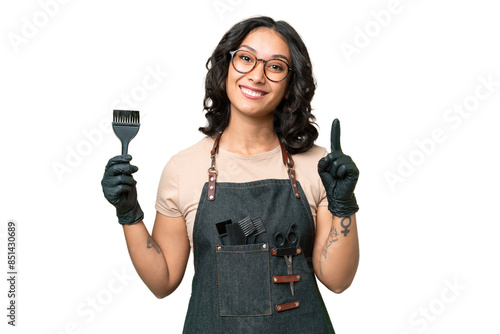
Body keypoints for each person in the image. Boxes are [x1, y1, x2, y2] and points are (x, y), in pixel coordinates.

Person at [101, 16, 360, 333]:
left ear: (291, 83)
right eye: (246, 59)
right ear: (227, 66)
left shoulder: (318, 165)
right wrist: (128, 213)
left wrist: (343, 203)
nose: (257, 76)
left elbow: (338, 280)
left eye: (275, 66)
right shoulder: (184, 168)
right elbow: (162, 281)